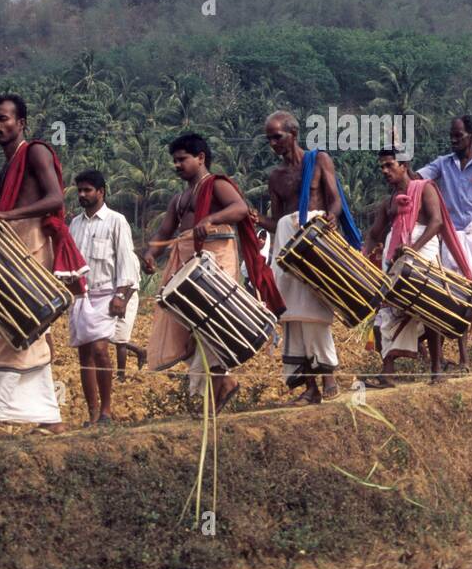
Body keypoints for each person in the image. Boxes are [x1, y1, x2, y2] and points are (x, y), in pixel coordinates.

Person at [0, 94, 87, 442]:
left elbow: (55, 200)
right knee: (28, 331)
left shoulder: (36, 152)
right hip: (9, 251)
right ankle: (52, 421)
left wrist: (6, 215)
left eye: (4, 119)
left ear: (21, 122)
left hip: (33, 247)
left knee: (19, 327)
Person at [141, 134, 283, 414]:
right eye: (175, 160)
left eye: (182, 159)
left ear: (201, 158)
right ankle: (221, 385)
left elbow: (240, 208)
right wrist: (150, 253)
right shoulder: (179, 199)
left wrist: (210, 219)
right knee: (189, 327)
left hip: (215, 258)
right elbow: (165, 231)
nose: (177, 165)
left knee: (211, 322)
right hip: (188, 260)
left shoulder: (216, 184)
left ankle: (218, 391)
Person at [263, 111, 361, 404]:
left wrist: (332, 216)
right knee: (291, 313)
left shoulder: (319, 161)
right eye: (268, 139)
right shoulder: (276, 177)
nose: (273, 143)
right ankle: (310, 388)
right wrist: (257, 220)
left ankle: (328, 376)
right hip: (286, 243)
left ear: (293, 133)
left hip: (315, 240)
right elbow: (279, 219)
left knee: (317, 306)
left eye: (277, 137)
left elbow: (334, 199)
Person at [365, 150, 472, 385]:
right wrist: (362, 258)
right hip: (395, 257)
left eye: (389, 165)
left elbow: (436, 222)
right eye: (382, 166)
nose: (384, 170)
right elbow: (374, 234)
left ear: (403, 165)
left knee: (429, 309)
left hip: (421, 252)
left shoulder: (425, 188)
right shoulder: (388, 202)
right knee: (386, 311)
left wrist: (412, 248)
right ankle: (387, 372)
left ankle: (436, 369)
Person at [417, 115, 472, 370]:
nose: (453, 140)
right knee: (456, 291)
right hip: (453, 230)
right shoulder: (444, 163)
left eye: (459, 135)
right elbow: (415, 179)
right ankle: (463, 356)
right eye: (452, 135)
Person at [67, 170, 141, 424]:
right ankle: (92, 414)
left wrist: (121, 295)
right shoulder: (75, 224)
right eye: (80, 190)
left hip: (107, 294)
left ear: (101, 191)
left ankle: (106, 411)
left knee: (100, 349)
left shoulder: (116, 221)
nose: (83, 195)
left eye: (88, 190)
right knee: (84, 355)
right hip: (81, 296)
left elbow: (126, 261)